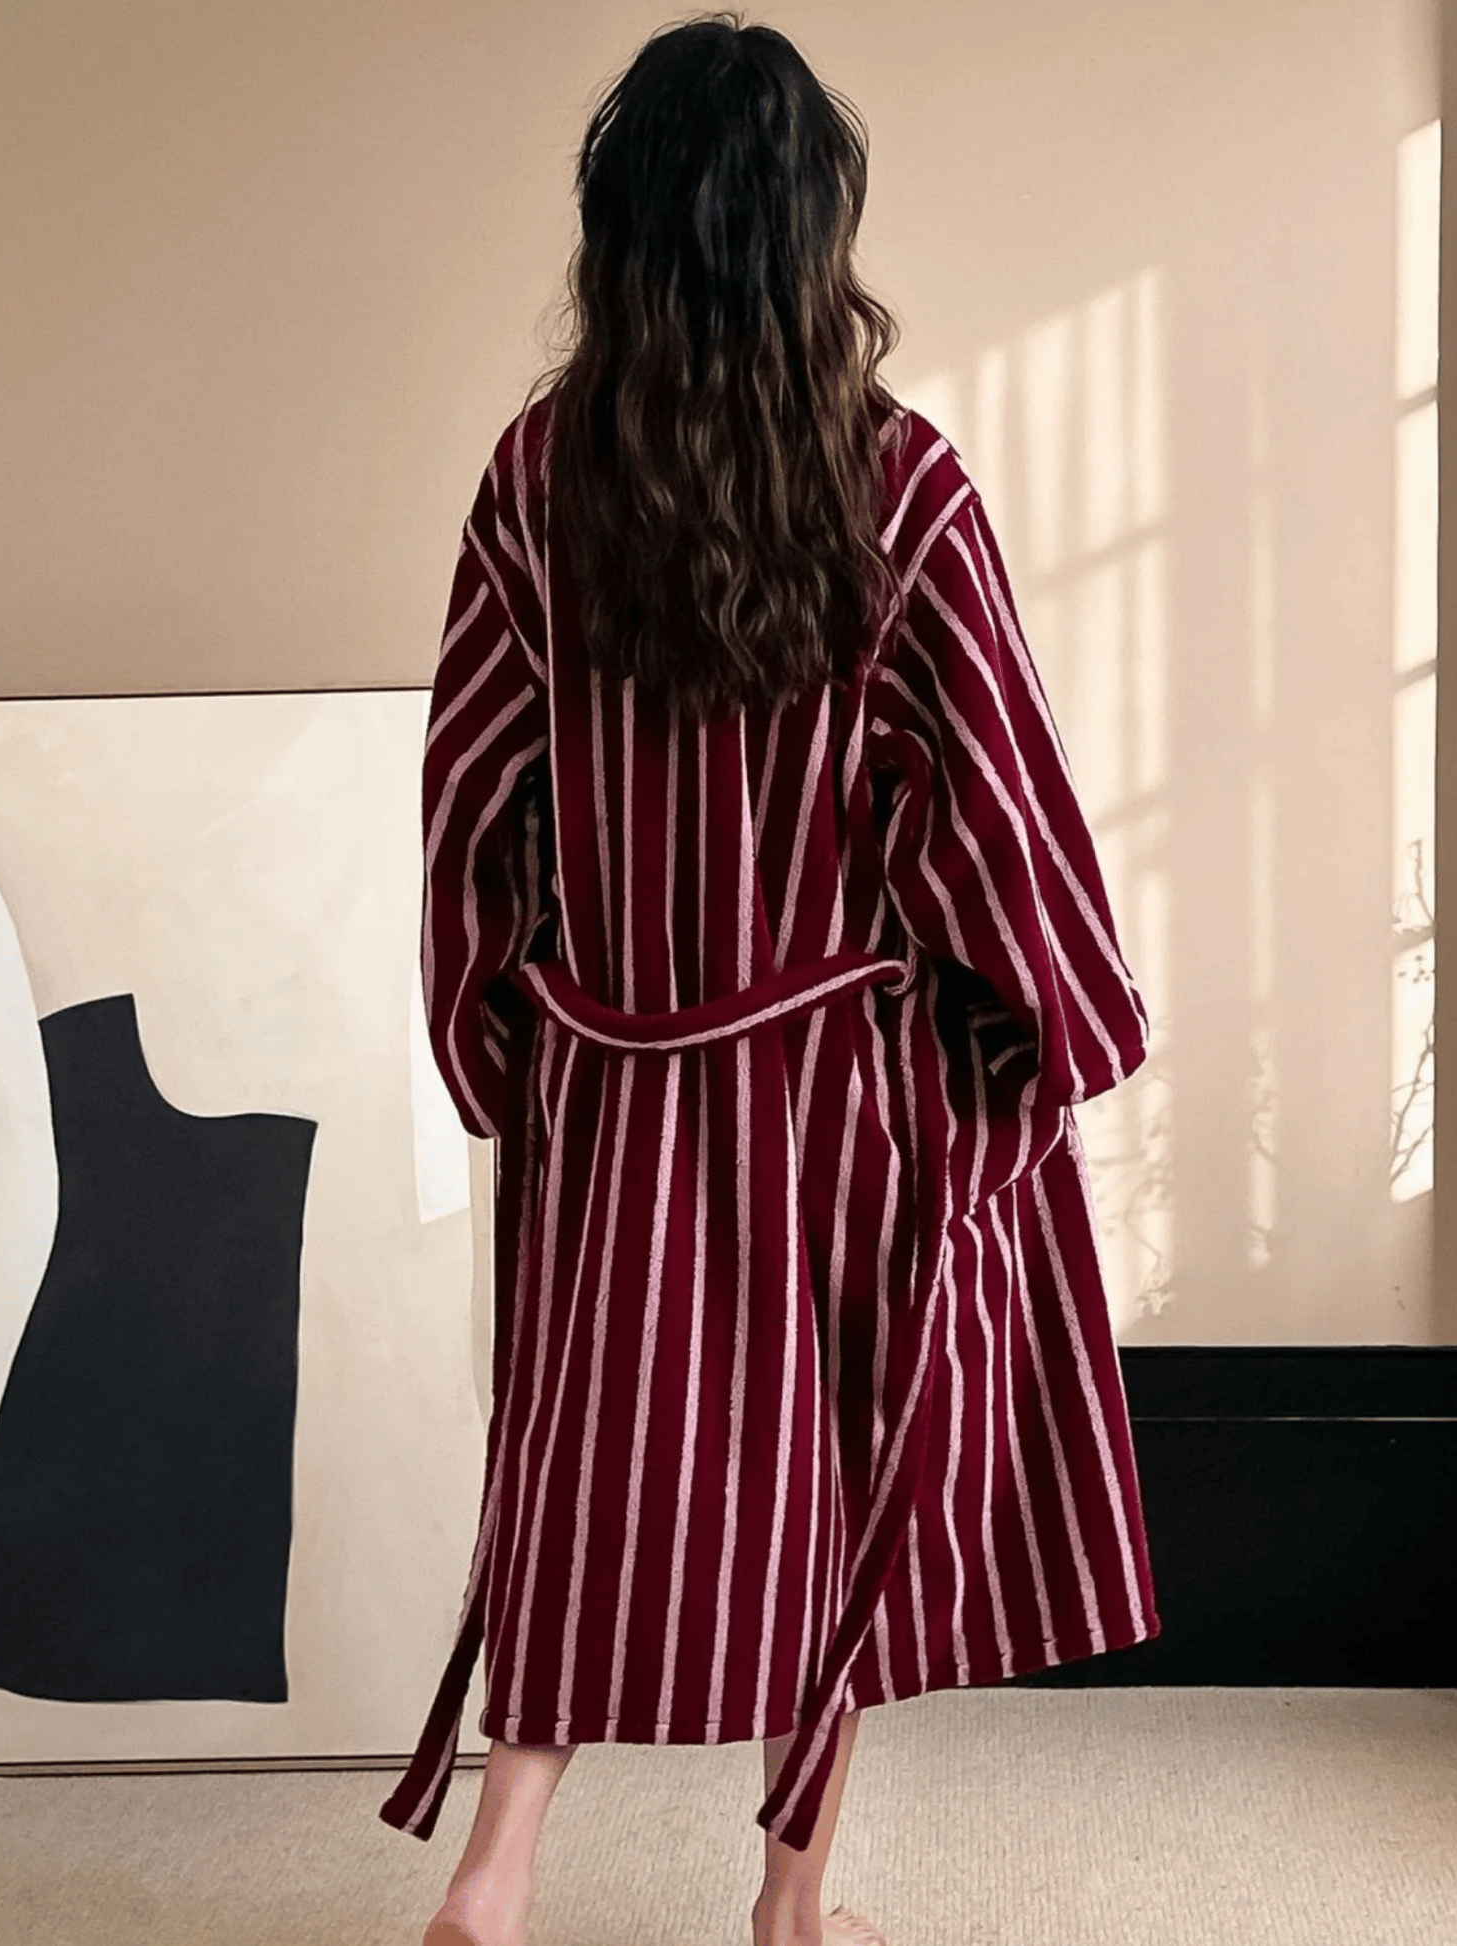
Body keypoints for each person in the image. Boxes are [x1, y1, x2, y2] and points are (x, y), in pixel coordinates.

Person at [380, 15, 1161, 1946]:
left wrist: (498, 1024)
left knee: (579, 1464)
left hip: (618, 1069)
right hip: (835, 1086)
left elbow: (474, 786)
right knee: (842, 1479)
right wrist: (1045, 1020)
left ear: (617, 230)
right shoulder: (898, 486)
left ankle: (498, 1872)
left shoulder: (532, 480)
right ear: (817, 234)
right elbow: (984, 795)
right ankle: (790, 1908)